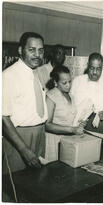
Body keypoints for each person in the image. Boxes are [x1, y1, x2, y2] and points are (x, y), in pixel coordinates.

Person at [2, 32, 47, 173]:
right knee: (15, 186)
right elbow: (3, 117)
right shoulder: (8, 76)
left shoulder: (37, 72)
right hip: (19, 138)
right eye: (31, 49)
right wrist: (24, 149)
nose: (37, 54)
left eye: (40, 50)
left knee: (36, 185)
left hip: (40, 133)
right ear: (21, 50)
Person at [70, 52, 103, 135]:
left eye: (98, 69)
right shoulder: (77, 81)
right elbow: (70, 103)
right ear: (87, 66)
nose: (94, 72)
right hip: (79, 124)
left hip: (100, 126)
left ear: (102, 68)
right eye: (92, 68)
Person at [44, 65, 86, 162]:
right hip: (54, 141)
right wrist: (72, 129)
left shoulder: (71, 95)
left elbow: (70, 118)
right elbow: (47, 125)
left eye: (70, 81)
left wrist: (79, 124)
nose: (68, 85)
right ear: (55, 82)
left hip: (68, 140)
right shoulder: (51, 96)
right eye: (64, 83)